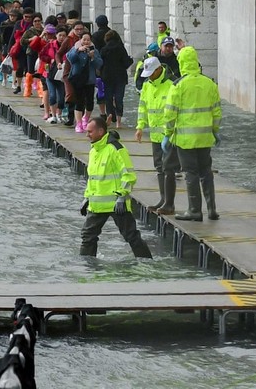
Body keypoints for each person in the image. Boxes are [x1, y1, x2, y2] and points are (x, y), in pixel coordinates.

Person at [163, 46, 222, 221]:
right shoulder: (209, 83)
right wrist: (215, 131)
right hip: (205, 137)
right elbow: (217, 112)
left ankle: (195, 210)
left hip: (185, 139)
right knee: (206, 171)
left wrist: (167, 134)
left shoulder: (178, 86)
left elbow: (170, 114)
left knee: (191, 173)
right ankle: (212, 209)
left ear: (181, 63)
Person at [79, 117, 153, 258]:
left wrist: (121, 196)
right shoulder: (94, 150)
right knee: (87, 236)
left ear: (101, 131)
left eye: (90, 132)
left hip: (116, 204)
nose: (87, 134)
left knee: (131, 236)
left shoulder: (116, 149)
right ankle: (87, 267)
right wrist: (87, 197)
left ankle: (147, 263)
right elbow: (93, 178)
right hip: (97, 205)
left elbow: (129, 176)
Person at [134, 57, 180, 214]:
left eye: (151, 73)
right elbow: (143, 107)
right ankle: (163, 199)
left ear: (159, 69)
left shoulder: (172, 84)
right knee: (159, 167)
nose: (148, 76)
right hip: (155, 135)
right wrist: (140, 127)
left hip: (170, 135)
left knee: (169, 168)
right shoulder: (147, 85)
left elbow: (176, 109)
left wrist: (171, 133)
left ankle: (169, 203)